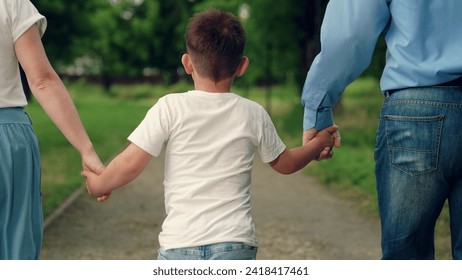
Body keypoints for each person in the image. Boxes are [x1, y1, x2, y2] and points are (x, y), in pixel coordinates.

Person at [82, 9, 338, 260]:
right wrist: (319, 143)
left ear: (187, 63)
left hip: (180, 244)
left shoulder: (169, 107)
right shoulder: (253, 113)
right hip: (235, 243)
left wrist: (100, 183)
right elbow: (286, 163)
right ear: (242, 66)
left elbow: (129, 163)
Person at [301, 0, 462, 259]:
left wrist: (318, 110)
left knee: (405, 259)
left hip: (416, 111)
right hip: (416, 112)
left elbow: (351, 33)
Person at [0, 0, 104, 259]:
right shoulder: (12, 3)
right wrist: (86, 149)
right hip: (8, 141)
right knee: (15, 246)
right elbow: (41, 79)